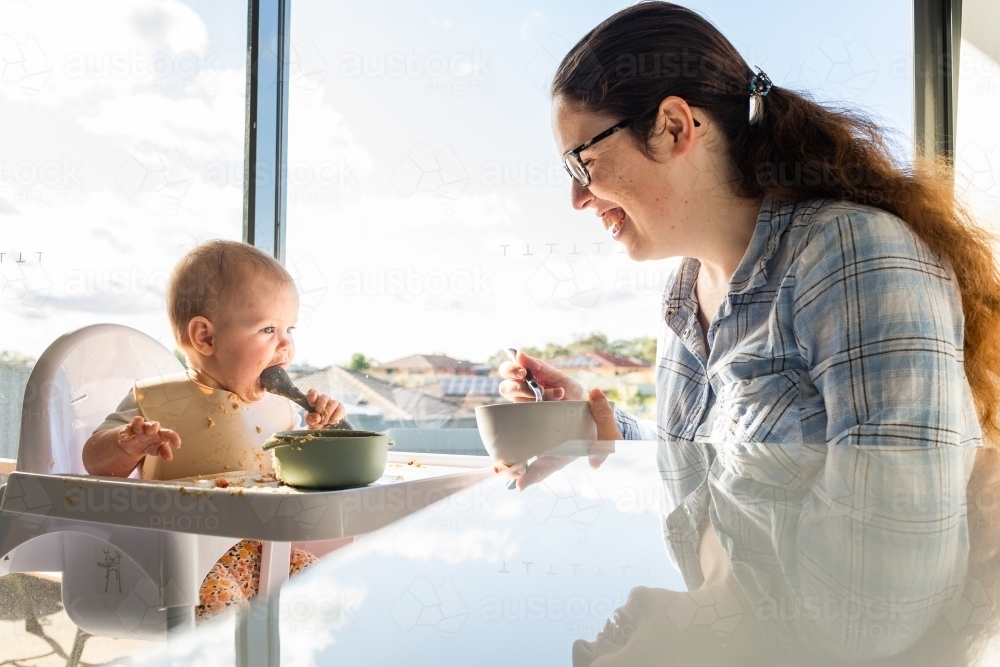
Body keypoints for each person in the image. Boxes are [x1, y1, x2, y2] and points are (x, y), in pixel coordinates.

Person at [498, 2, 1000, 662]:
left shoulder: (851, 257)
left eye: (580, 162)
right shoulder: (684, 306)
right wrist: (604, 431)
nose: (576, 199)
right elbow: (742, 470)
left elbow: (879, 609)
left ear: (675, 126)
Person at [82, 239, 347, 620]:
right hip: (178, 563)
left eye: (290, 328)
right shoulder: (158, 403)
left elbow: (303, 479)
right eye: (268, 329)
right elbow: (95, 464)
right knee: (222, 607)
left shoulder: (282, 411)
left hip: (263, 555)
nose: (286, 345)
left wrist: (323, 433)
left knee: (324, 591)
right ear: (205, 337)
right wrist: (129, 443)